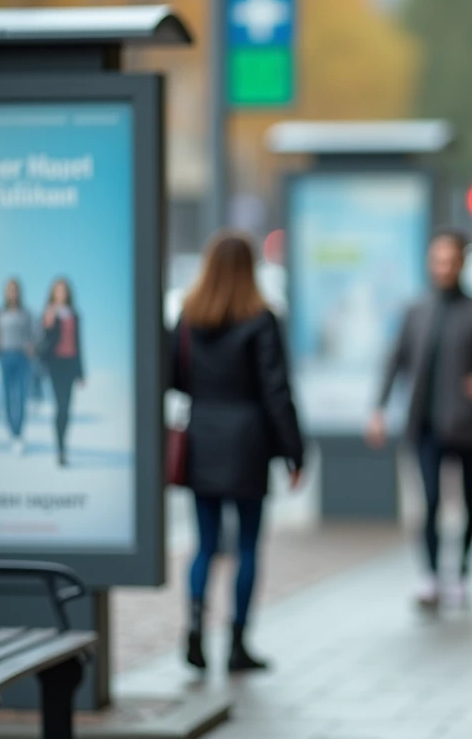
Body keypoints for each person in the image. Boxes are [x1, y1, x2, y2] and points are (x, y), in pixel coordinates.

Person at [366, 228, 472, 611]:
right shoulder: (416, 310)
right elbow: (395, 360)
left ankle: (464, 574)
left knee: (470, 504)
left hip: (468, 426)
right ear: (429, 263)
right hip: (423, 426)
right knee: (431, 503)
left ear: (462, 263)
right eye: (438, 261)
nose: (444, 268)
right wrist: (378, 408)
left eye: (451, 261)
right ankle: (431, 578)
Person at [172, 231, 304, 673]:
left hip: (203, 435)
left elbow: (174, 375)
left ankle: (193, 628)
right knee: (247, 545)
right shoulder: (261, 318)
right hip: (248, 439)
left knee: (205, 544)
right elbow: (276, 389)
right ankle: (237, 644)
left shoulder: (189, 316)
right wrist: (294, 450)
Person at [40, 279, 84, 467]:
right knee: (60, 405)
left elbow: (79, 344)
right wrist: (48, 325)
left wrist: (81, 372)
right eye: (58, 290)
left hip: (71, 364)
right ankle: (60, 448)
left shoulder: (75, 315)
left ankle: (63, 442)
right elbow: (45, 341)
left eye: (64, 290)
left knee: (67, 409)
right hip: (56, 364)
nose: (61, 293)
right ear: (53, 293)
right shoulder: (50, 313)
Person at [0, 278, 36, 455]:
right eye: (9, 289)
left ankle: (19, 434)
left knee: (19, 396)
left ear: (19, 292)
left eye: (15, 289)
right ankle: (12, 432)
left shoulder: (26, 314)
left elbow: (34, 335)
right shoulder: (0, 314)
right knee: (6, 397)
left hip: (21, 358)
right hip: (4, 357)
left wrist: (31, 346)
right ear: (6, 292)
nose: (12, 292)